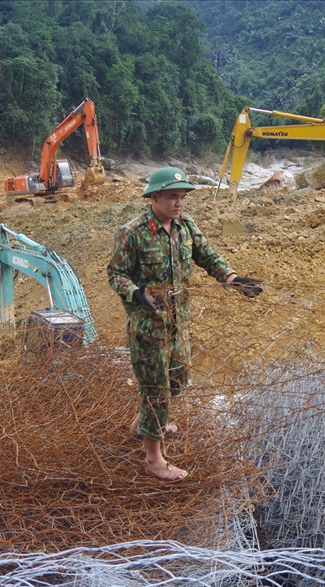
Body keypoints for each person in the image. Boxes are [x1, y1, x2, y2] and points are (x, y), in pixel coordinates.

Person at [107, 166, 263, 482]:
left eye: (182, 197)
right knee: (157, 390)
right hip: (149, 327)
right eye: (172, 197)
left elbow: (207, 256)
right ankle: (153, 458)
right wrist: (136, 293)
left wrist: (231, 279)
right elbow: (115, 274)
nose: (179, 203)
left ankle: (145, 422)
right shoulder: (133, 233)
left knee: (178, 378)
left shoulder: (185, 227)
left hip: (179, 324)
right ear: (154, 197)